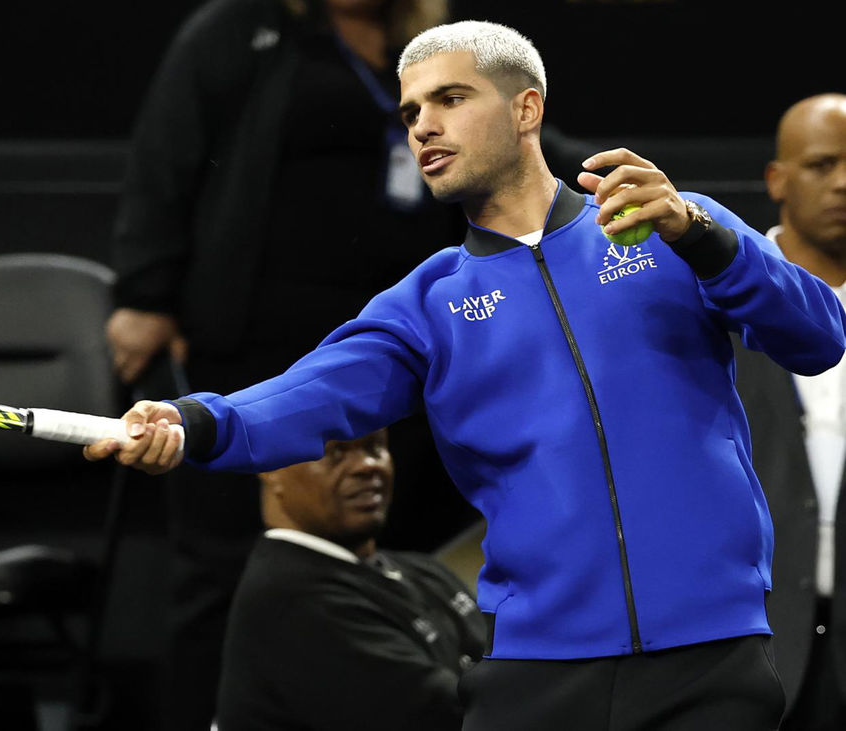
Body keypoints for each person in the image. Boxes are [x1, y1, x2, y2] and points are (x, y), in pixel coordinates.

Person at [89, 20, 846, 730]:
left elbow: (817, 335)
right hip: (537, 676)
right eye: (411, 108)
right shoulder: (428, 302)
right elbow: (305, 395)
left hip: (711, 664)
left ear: (526, 109)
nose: (422, 124)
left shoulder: (675, 228)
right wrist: (190, 421)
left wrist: (702, 236)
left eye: (450, 98)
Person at [107, 1, 594, 725]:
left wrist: (606, 188)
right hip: (258, 344)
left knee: (393, 557)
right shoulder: (236, 31)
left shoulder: (434, 47)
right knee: (222, 570)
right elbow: (166, 155)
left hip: (407, 349)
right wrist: (146, 292)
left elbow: (519, 146)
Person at [217, 428, 485, 730]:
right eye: (336, 453)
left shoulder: (422, 571)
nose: (367, 465)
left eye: (375, 447)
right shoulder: (292, 600)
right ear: (271, 467)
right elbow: (457, 717)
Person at [734, 92, 846, 730]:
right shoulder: (712, 294)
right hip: (750, 644)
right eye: (822, 164)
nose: (844, 182)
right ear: (776, 179)